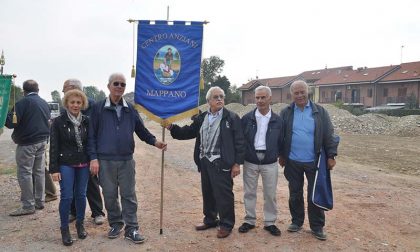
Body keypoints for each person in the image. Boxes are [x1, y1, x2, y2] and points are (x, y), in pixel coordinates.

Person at [88, 73, 167, 244]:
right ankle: (116, 223)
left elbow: (141, 130)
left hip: (126, 160)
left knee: (129, 195)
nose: (119, 87)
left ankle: (132, 228)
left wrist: (155, 141)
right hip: (105, 161)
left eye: (122, 84)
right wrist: (93, 158)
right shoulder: (98, 108)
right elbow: (91, 136)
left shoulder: (130, 109)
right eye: (116, 83)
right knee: (109, 195)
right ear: (108, 86)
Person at [167, 86, 245, 239]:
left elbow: (240, 142)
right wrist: (171, 127)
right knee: (208, 193)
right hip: (205, 162)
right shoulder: (202, 118)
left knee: (224, 195)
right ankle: (210, 220)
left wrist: (237, 164)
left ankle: (226, 224)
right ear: (209, 101)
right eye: (215, 97)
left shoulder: (232, 117)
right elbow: (188, 132)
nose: (219, 99)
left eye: (221, 96)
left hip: (222, 162)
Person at [279, 80, 338, 240]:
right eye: (296, 93)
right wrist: (281, 155)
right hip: (292, 162)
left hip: (315, 161)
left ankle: (317, 227)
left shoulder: (320, 111)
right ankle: (297, 222)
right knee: (295, 193)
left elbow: (329, 134)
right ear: (291, 94)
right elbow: (281, 135)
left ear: (308, 92)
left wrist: (331, 156)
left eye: (302, 92)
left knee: (315, 194)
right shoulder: (286, 112)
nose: (299, 95)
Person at [239, 86, 282, 236]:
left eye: (263, 97)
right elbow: (241, 140)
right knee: (249, 192)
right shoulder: (246, 119)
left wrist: (281, 155)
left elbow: (282, 140)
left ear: (270, 98)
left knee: (270, 193)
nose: (260, 100)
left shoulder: (278, 120)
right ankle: (249, 220)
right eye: (257, 97)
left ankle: (270, 222)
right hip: (250, 160)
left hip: (270, 161)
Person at [62, 79, 106, 225]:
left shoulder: (93, 105)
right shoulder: (66, 107)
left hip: (89, 151)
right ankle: (73, 212)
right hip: (71, 154)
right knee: (73, 184)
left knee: (91, 182)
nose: (64, 93)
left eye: (65, 90)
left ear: (74, 88)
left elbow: (99, 128)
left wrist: (95, 154)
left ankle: (97, 212)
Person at [49, 89, 90, 246]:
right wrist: (53, 169)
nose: (75, 105)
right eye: (72, 102)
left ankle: (80, 224)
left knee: (81, 194)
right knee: (67, 196)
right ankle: (65, 229)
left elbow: (90, 142)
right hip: (65, 163)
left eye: (78, 102)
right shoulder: (58, 122)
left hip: (83, 163)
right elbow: (54, 146)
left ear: (83, 104)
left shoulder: (87, 120)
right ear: (66, 103)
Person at [5, 80, 50, 216]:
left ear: (23, 91)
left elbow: (11, 123)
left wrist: (4, 113)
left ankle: (28, 205)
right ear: (37, 90)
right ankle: (39, 201)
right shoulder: (44, 102)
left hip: (27, 143)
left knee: (25, 173)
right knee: (39, 172)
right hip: (42, 141)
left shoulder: (22, 103)